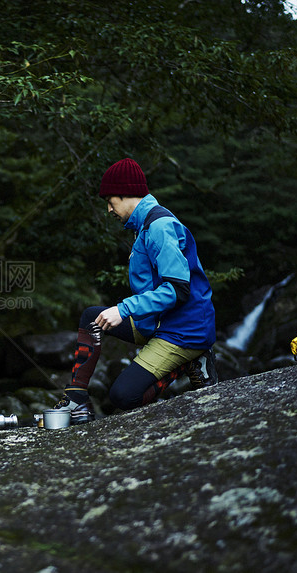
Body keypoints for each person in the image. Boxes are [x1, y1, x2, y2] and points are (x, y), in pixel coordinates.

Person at [51, 158, 217, 423]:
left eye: (110, 201)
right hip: (158, 322)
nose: (108, 209)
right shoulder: (145, 226)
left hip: (185, 330)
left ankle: (189, 362)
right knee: (92, 317)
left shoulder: (160, 227)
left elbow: (178, 290)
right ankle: (76, 400)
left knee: (122, 397)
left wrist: (123, 309)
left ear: (125, 195)